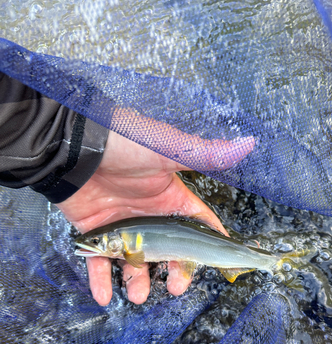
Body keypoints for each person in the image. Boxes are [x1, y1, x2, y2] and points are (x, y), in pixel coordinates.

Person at [0, 72, 256, 305]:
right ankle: (266, 261)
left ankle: (263, 261)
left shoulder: (129, 249)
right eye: (96, 241)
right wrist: (68, 139)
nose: (93, 243)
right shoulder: (126, 245)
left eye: (98, 240)